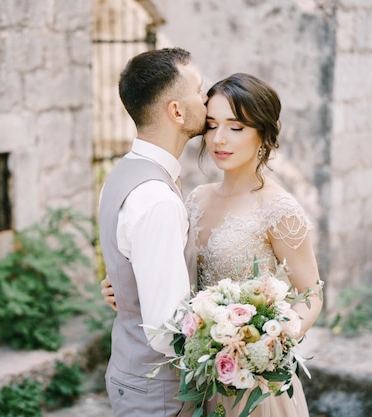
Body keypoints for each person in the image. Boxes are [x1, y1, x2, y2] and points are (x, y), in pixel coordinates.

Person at [102, 72, 323, 417]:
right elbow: (172, 277)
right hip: (199, 378)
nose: (220, 139)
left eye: (236, 128)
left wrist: (265, 343)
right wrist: (128, 288)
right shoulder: (195, 199)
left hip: (254, 385)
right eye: (211, 125)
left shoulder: (279, 210)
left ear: (263, 134)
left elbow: (312, 295)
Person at [97, 47, 208, 417]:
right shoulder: (156, 198)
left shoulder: (125, 172)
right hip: (159, 396)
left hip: (131, 375)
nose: (206, 100)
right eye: (200, 90)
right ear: (176, 111)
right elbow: (167, 332)